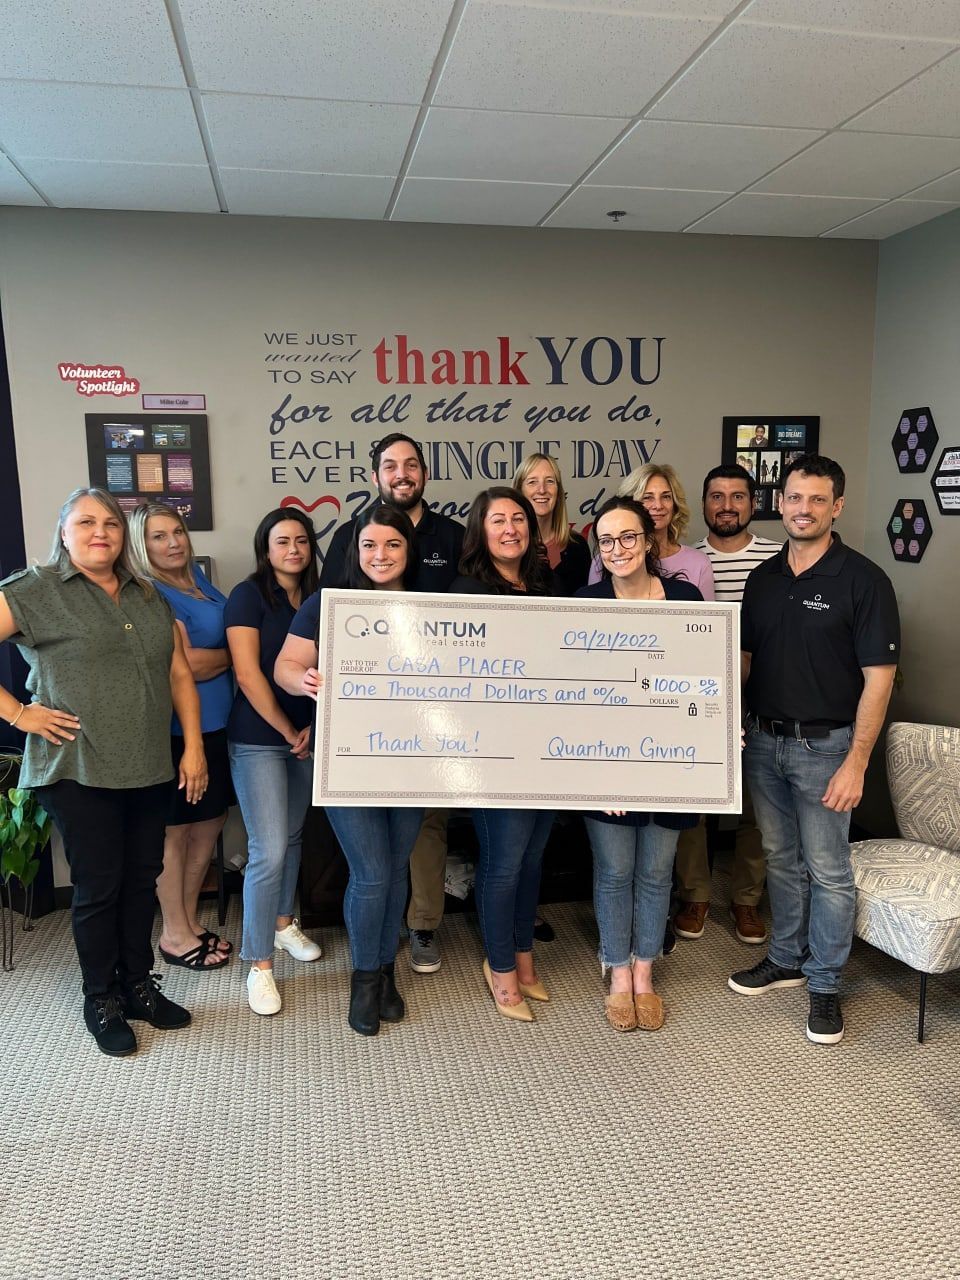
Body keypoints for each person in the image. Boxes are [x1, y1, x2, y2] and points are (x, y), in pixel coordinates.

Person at [0, 488, 207, 1056]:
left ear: (123, 535)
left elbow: (179, 674)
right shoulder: (36, 589)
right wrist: (19, 714)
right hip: (77, 764)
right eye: (86, 523)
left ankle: (137, 986)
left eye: (111, 523)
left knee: (141, 880)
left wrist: (193, 747)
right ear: (64, 533)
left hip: (148, 763)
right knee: (99, 886)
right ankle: (101, 999)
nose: (100, 533)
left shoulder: (147, 593)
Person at [730, 454, 900, 1045]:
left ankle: (825, 984)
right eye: (795, 498)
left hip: (827, 749)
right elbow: (745, 661)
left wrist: (857, 762)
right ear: (781, 503)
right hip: (764, 742)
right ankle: (786, 958)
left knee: (828, 870)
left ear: (838, 506)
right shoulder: (763, 578)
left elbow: (880, 679)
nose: (803, 509)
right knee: (779, 857)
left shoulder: (864, 581)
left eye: (817, 499)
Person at [275, 504, 424, 1036]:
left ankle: (385, 972)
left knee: (397, 868)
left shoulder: (431, 606)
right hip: (348, 757)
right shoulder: (329, 604)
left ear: (408, 550)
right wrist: (304, 681)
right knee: (372, 872)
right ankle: (364, 979)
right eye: (369, 545)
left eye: (392, 544)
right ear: (355, 550)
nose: (380, 555)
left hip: (413, 759)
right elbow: (285, 666)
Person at [321, 432, 465, 977]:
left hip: (430, 717)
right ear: (376, 475)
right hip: (362, 723)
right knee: (373, 860)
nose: (401, 473)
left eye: (410, 464)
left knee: (422, 831)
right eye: (389, 465)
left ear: (424, 472)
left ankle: (419, 927)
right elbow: (328, 618)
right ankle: (371, 954)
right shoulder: (348, 534)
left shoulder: (453, 534)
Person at [575, 497, 702, 1032]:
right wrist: (596, 769)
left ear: (649, 540)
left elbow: (706, 678)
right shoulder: (585, 603)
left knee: (655, 872)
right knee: (614, 871)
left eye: (628, 537)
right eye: (606, 541)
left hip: (671, 763)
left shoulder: (687, 598)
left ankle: (645, 973)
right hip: (605, 763)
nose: (618, 548)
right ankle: (618, 971)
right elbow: (574, 695)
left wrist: (720, 731)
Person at [451, 487, 555, 1021]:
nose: (510, 528)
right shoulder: (465, 590)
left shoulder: (544, 584)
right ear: (481, 530)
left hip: (545, 745)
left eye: (519, 518)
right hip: (493, 752)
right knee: (504, 863)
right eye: (498, 520)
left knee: (532, 859)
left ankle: (524, 957)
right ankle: (501, 969)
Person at [673, 465, 781, 946]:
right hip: (700, 700)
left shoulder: (776, 558)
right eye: (717, 496)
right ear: (703, 503)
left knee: (756, 806)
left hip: (760, 699)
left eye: (738, 497)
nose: (727, 506)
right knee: (696, 803)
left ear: (752, 504)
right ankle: (695, 895)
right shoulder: (689, 560)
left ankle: (746, 900)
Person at [225, 508, 322, 1016]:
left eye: (301, 540)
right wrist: (287, 731)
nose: (293, 549)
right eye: (282, 541)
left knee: (293, 837)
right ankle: (258, 965)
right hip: (259, 739)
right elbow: (246, 673)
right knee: (268, 849)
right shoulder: (248, 595)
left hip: (308, 736)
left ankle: (284, 925)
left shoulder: (321, 597)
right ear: (266, 548)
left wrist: (312, 730)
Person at [128, 503, 234, 969]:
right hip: (177, 731)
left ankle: (189, 922)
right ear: (141, 545)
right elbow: (186, 664)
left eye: (177, 532)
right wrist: (239, 655)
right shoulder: (152, 592)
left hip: (218, 724)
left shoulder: (197, 580)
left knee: (208, 823)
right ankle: (173, 933)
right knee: (175, 831)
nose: (173, 542)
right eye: (158, 536)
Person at [588, 463, 715, 600]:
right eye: (647, 497)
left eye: (666, 496)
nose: (658, 506)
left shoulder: (697, 564)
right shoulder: (605, 561)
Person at [513, 452, 591, 596]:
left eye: (549, 481)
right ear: (519, 491)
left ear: (558, 491)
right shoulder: (509, 546)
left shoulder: (578, 547)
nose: (542, 490)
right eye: (532, 482)